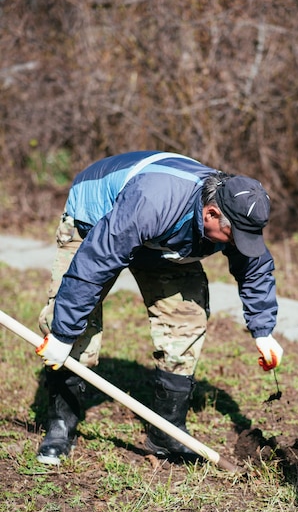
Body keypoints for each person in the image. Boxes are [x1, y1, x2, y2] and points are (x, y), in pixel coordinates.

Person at [35, 150, 284, 465]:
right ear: (210, 213)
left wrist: (263, 331)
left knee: (186, 322)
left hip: (164, 242)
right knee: (73, 330)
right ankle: (60, 427)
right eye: (233, 237)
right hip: (95, 217)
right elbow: (93, 264)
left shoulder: (234, 211)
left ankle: (166, 434)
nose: (237, 245)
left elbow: (255, 269)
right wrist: (63, 333)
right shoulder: (152, 201)